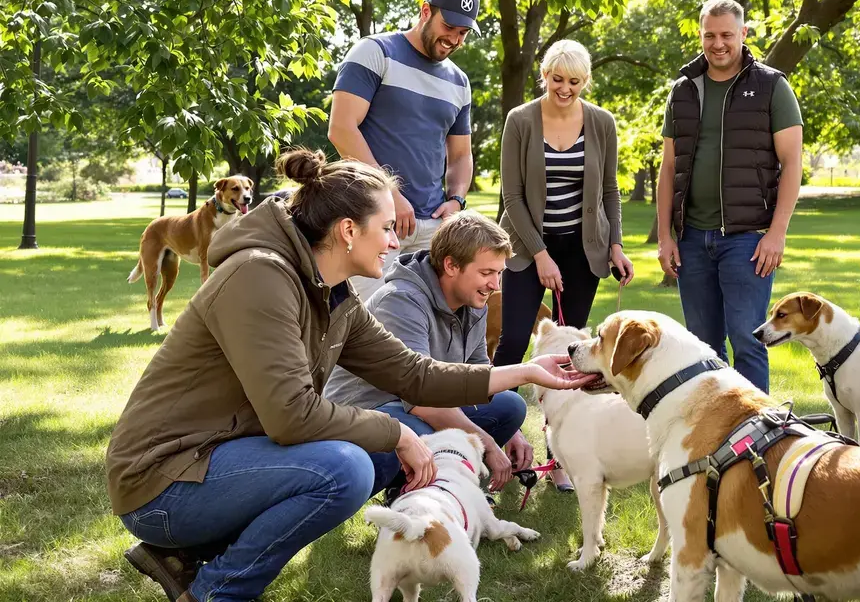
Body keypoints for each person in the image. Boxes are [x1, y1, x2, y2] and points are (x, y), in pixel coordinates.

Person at [107, 149, 589, 602]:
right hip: (161, 482)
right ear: (347, 231)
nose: (397, 241)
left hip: (216, 460)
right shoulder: (259, 277)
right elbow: (291, 416)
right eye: (386, 227)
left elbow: (411, 373)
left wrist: (525, 369)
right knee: (346, 468)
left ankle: (189, 557)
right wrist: (397, 432)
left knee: (355, 459)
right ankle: (215, 590)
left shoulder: (332, 293)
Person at [494, 39, 633, 491]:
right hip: (524, 247)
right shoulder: (520, 121)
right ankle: (493, 446)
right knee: (513, 340)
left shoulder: (601, 123)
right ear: (545, 75)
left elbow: (609, 190)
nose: (565, 89)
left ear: (584, 81)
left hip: (581, 249)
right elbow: (511, 196)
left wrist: (615, 245)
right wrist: (539, 255)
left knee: (572, 354)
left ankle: (560, 460)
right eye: (557, 79)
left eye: (574, 82)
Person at [324, 211, 534, 496]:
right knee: (413, 424)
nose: (495, 285)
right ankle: (405, 489)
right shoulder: (402, 299)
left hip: (422, 403)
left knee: (510, 406)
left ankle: (446, 482)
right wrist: (488, 445)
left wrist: (512, 434)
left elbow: (482, 377)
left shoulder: (474, 301)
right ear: (450, 265)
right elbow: (419, 400)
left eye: (499, 273)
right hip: (370, 413)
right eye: (486, 273)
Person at [656, 0, 804, 394]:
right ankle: (713, 437)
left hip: (748, 239)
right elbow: (668, 167)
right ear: (700, 35)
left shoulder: (772, 85)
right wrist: (666, 236)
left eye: (726, 35)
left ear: (743, 34)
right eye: (709, 35)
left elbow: (792, 163)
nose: (717, 43)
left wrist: (777, 233)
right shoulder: (683, 90)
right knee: (702, 347)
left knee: (749, 341)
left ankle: (759, 438)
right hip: (691, 239)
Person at [328, 0, 481, 301]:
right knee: (363, 327)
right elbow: (341, 129)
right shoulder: (375, 52)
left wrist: (456, 201)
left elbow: (460, 156)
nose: (453, 39)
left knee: (421, 329)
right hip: (371, 220)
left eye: (463, 33)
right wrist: (390, 194)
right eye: (449, 26)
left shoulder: (459, 82)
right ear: (426, 11)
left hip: (431, 232)